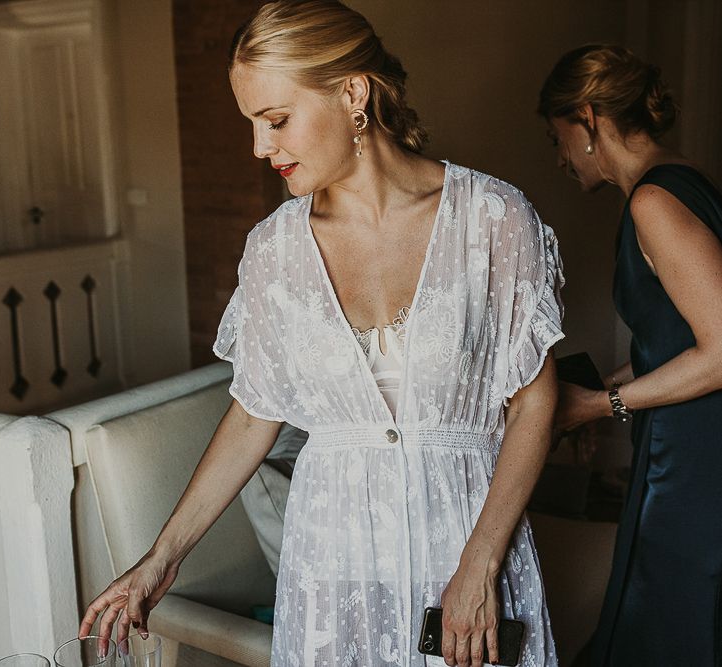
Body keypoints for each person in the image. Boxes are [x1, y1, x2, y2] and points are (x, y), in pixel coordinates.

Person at [80, 2, 565, 665]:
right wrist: (159, 559)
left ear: (352, 93)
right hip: (333, 563)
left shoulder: (492, 219)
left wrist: (479, 564)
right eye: (252, 124)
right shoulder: (273, 251)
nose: (259, 147)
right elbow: (256, 413)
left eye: (275, 120)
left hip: (468, 546)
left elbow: (533, 401)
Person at [538, 44, 722, 666]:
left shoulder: (653, 201)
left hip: (697, 458)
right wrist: (585, 397)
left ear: (587, 119)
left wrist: (601, 403)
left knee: (672, 619)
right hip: (685, 442)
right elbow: (672, 345)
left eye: (557, 135)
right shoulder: (679, 182)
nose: (559, 155)